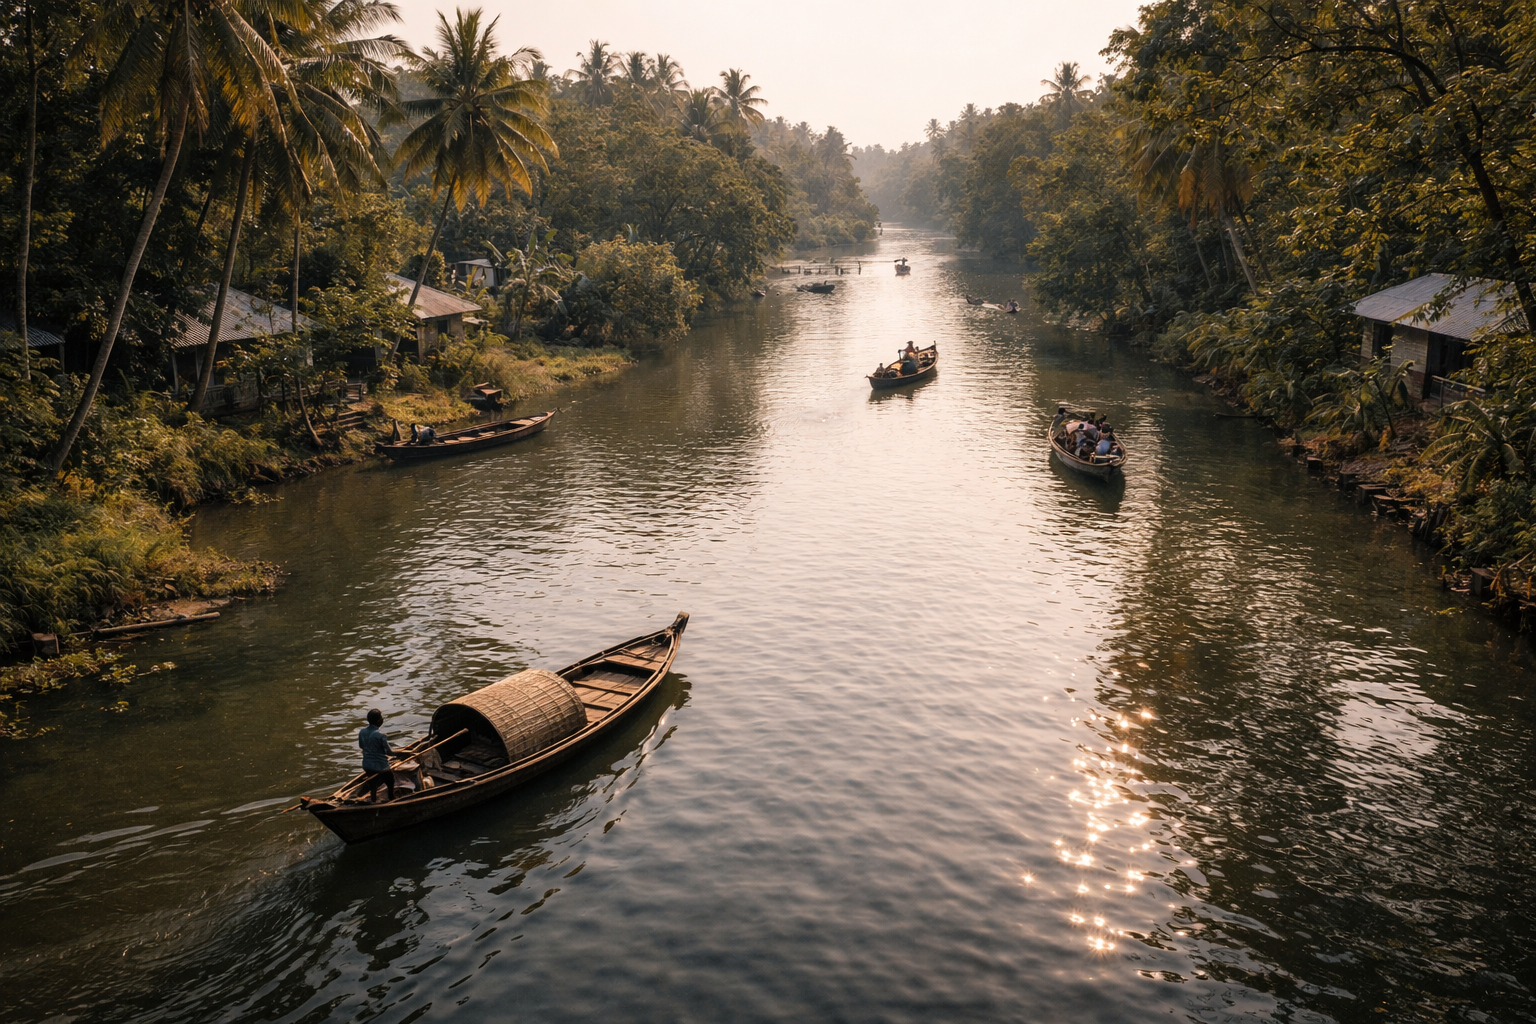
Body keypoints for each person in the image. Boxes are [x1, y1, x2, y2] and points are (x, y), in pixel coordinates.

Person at [359, 709, 395, 802]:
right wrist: (400, 752)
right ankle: (392, 798)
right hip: (380, 765)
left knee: (372, 784)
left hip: (366, 765)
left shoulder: (362, 732)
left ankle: (373, 800)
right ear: (379, 721)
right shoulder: (381, 735)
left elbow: (361, 746)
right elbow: (388, 752)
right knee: (390, 780)